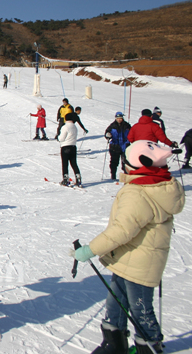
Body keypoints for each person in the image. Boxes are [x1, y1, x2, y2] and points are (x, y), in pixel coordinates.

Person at [73, 140, 185, 354]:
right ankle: (114, 343)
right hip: (128, 259)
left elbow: (121, 231)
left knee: (140, 309)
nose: (123, 165)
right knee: (115, 302)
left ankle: (149, 348)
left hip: (139, 263)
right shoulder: (156, 184)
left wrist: (89, 250)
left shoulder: (139, 192)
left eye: (126, 161)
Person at [104, 112, 131, 180]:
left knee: (125, 163)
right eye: (118, 118)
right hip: (115, 146)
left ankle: (125, 176)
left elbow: (131, 134)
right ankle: (113, 176)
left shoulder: (127, 125)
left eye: (120, 118)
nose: (119, 120)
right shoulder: (112, 126)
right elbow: (107, 133)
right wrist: (108, 135)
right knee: (114, 162)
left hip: (125, 146)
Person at [59, 112, 81, 187]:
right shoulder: (74, 127)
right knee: (74, 163)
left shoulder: (65, 127)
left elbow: (61, 138)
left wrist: (58, 137)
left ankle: (65, 179)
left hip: (65, 147)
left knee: (65, 164)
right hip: (73, 147)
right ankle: (78, 178)